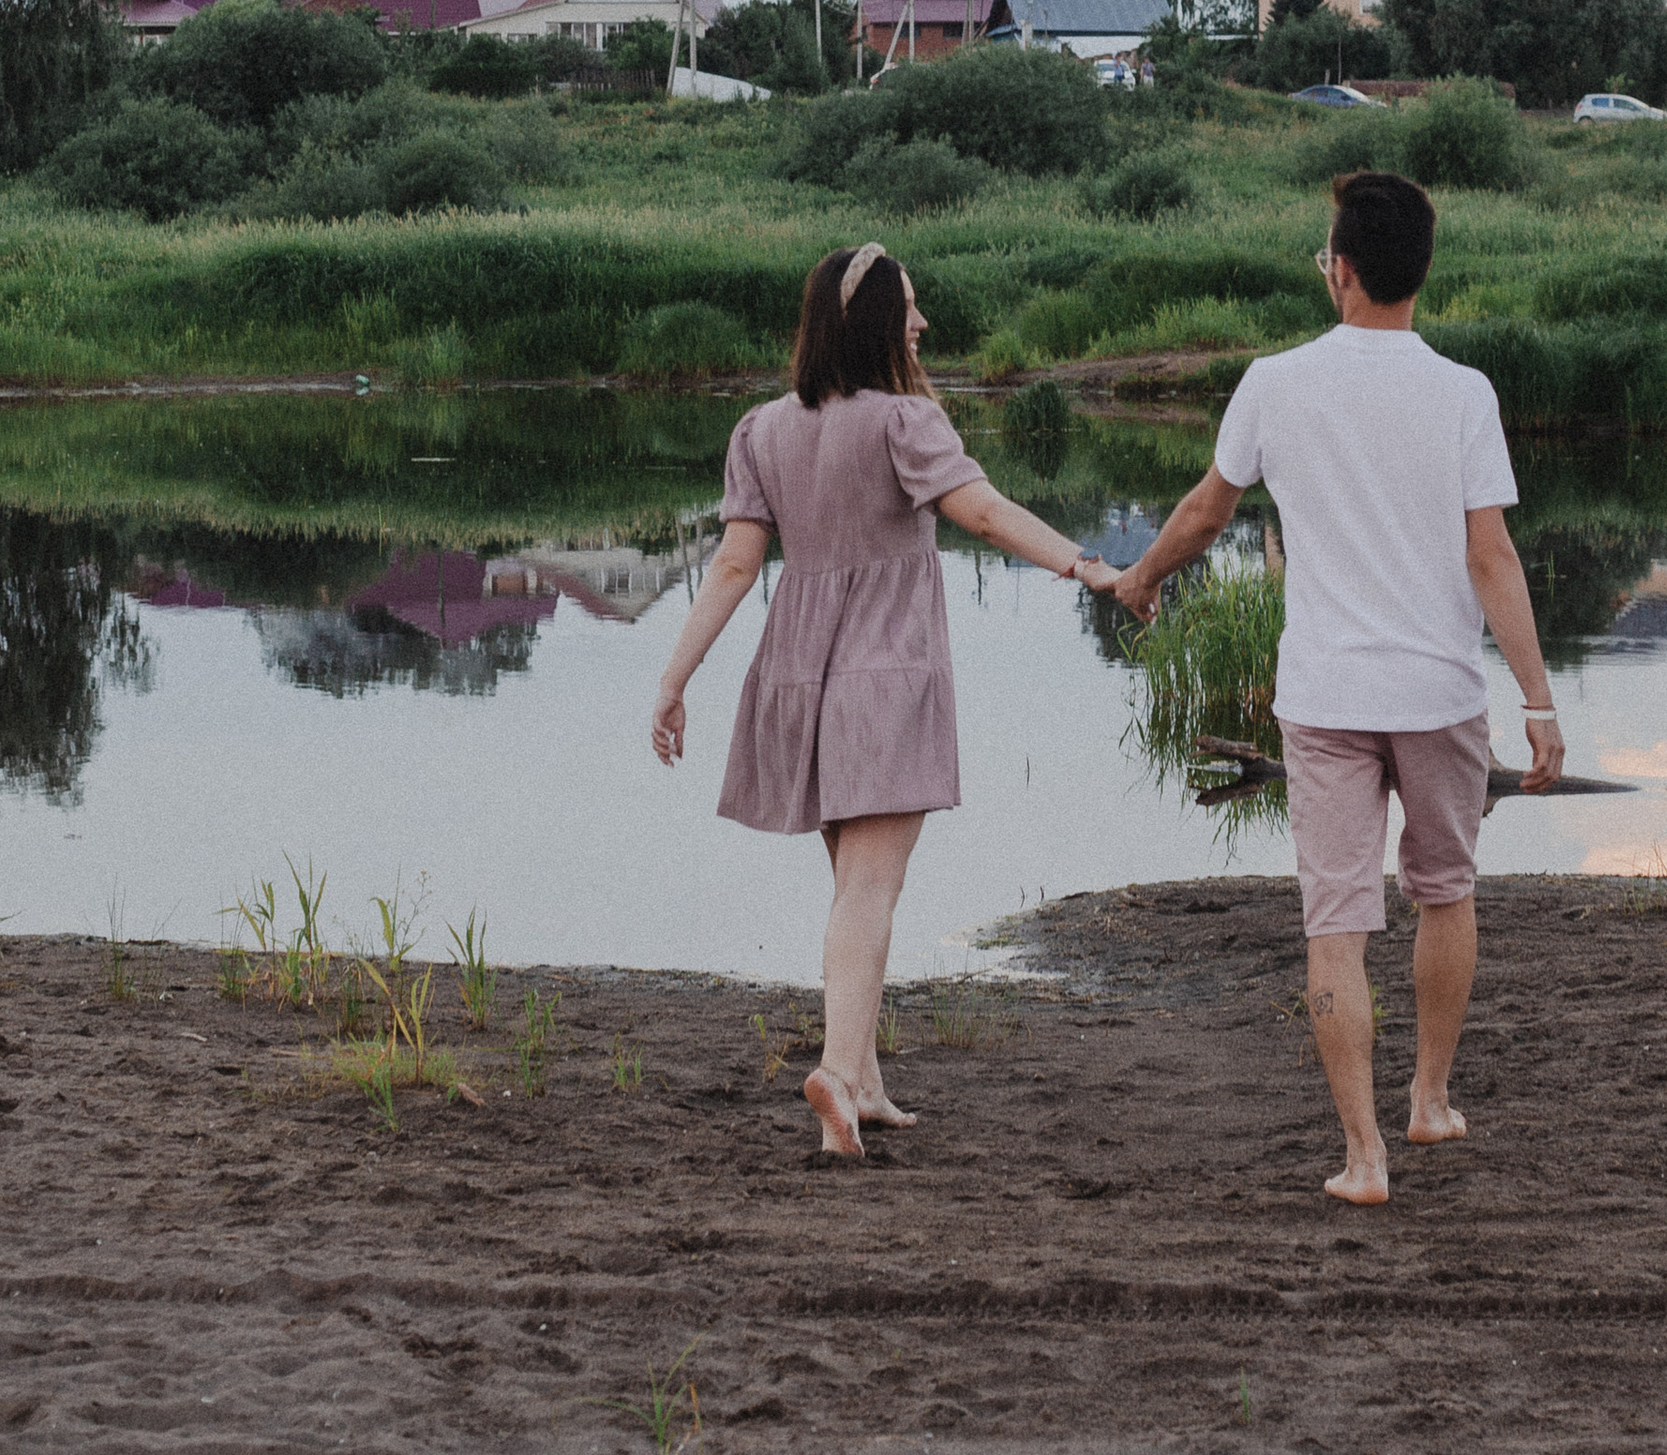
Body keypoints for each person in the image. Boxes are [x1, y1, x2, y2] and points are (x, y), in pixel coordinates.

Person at [1112, 165, 1563, 1206]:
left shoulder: (1274, 382)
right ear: (1420, 275)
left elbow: (1204, 513)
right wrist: (1538, 700)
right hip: (1440, 693)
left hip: (1323, 700)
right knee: (1446, 892)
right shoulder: (1465, 392)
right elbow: (1491, 556)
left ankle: (1364, 1158)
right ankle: (1429, 1100)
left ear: (1341, 271)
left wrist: (1139, 578)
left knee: (1336, 927)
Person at [653, 241, 1120, 1160]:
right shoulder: (906, 421)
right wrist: (1085, 565)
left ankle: (863, 1084)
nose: (921, 321)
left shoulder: (761, 429)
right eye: (908, 306)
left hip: (798, 675)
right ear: (871, 321)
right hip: (885, 675)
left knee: (852, 891)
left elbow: (736, 566)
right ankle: (836, 1072)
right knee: (871, 888)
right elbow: (983, 512)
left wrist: (673, 680)